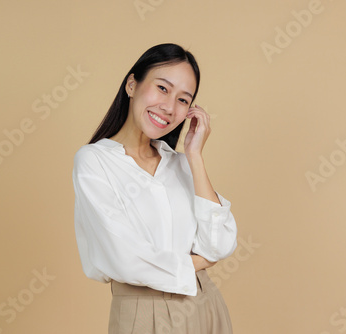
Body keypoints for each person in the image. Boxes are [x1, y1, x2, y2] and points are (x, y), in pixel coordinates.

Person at [72, 43, 238, 333]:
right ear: (132, 84)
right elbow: (125, 258)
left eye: (183, 100)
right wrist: (199, 262)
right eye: (163, 88)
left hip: (206, 305)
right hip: (142, 310)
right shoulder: (94, 162)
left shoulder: (181, 165)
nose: (170, 107)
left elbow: (220, 243)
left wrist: (194, 156)